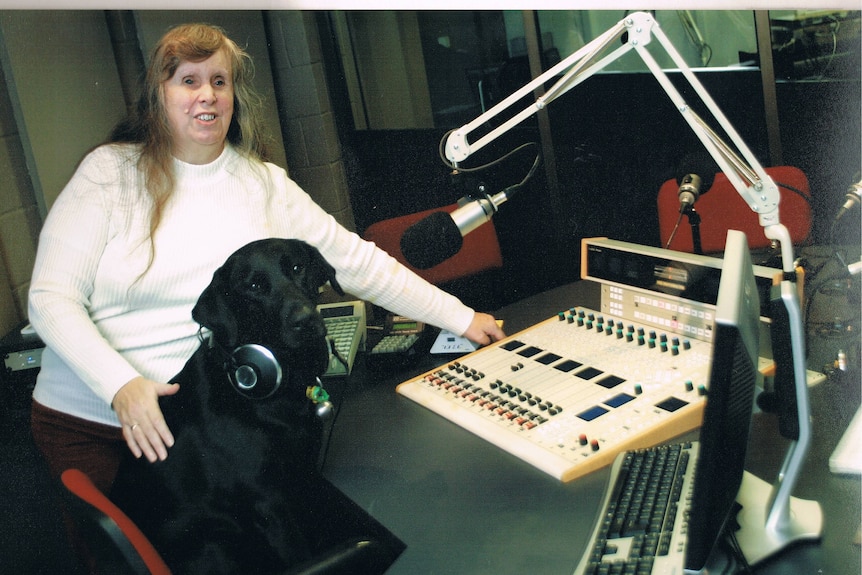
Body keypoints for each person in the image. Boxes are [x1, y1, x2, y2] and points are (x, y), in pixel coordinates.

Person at [28, 22, 505, 496]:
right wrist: (120, 386)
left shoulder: (264, 183)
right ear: (159, 95)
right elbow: (51, 298)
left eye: (220, 81)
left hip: (191, 422)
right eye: (188, 81)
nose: (207, 95)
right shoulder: (109, 173)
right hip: (89, 423)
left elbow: (357, 262)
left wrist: (461, 318)